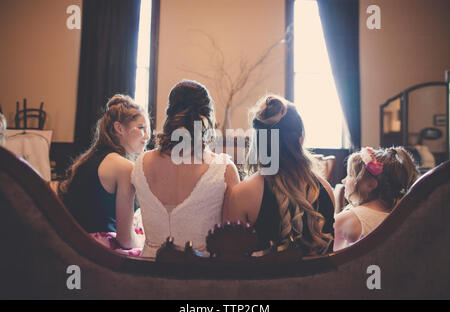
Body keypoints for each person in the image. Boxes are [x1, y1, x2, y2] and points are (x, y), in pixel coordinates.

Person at [132, 79, 240, 257]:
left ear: (171, 114)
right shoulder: (224, 169)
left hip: (148, 276)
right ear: (208, 117)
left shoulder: (141, 163)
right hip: (201, 278)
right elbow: (230, 242)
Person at [225, 95, 335, 256]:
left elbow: (230, 263)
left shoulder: (242, 194)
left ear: (258, 142)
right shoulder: (326, 191)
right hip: (317, 282)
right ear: (300, 140)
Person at [59, 94, 150, 255]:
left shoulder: (86, 161)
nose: (147, 136)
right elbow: (126, 240)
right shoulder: (124, 167)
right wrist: (144, 241)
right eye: (141, 128)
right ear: (119, 128)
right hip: (97, 253)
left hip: (70, 246)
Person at [333, 147, 419, 251]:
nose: (343, 180)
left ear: (371, 185)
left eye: (350, 175)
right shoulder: (401, 218)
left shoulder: (347, 219)